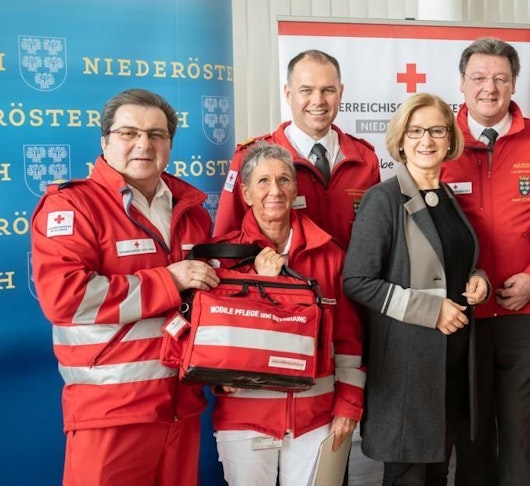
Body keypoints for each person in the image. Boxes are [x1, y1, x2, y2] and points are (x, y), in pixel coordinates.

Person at [30, 88, 219, 486]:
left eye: (156, 134)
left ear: (169, 142)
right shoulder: (73, 206)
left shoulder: (192, 209)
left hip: (181, 407)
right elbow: (65, 296)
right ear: (105, 140)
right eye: (128, 133)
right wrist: (170, 280)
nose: (143, 144)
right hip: (110, 411)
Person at [440, 36, 530, 486]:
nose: (489, 87)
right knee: (472, 439)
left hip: (526, 315)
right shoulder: (439, 142)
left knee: (524, 438)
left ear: (515, 83)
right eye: (478, 77)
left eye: (500, 78)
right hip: (462, 317)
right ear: (461, 82)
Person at [343, 93, 490, 486]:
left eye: (437, 130)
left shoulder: (447, 198)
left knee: (438, 474)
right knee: (409, 476)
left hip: (452, 366)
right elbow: (357, 280)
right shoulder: (383, 199)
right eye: (416, 131)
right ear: (401, 139)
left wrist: (480, 280)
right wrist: (431, 310)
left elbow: (455, 262)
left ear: (450, 139)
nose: (427, 140)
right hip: (408, 368)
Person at [210, 142, 364, 486]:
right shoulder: (224, 258)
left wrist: (349, 406)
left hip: (316, 417)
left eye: (283, 180)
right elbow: (212, 339)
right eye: (262, 182)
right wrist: (263, 286)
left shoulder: (329, 255)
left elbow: (350, 339)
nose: (274, 190)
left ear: (295, 189)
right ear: (246, 193)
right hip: (245, 417)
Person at [214, 49, 380, 248]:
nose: (318, 100)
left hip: (350, 279)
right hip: (281, 278)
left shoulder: (365, 159)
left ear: (340, 93)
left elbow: (377, 237)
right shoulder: (251, 157)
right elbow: (225, 243)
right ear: (288, 93)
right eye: (306, 90)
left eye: (328, 90)